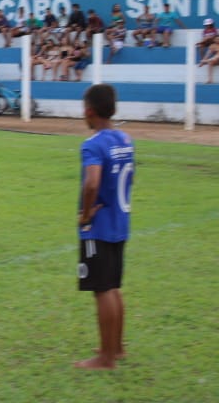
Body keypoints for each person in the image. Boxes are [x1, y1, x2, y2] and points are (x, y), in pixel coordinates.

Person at [75, 83, 134, 370]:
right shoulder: (125, 139)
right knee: (114, 287)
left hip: (98, 227)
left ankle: (106, 358)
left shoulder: (93, 144)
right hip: (120, 222)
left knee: (102, 290)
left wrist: (86, 215)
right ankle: (117, 347)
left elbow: (93, 182)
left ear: (89, 111)